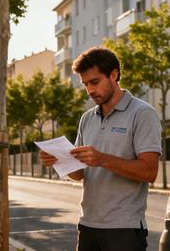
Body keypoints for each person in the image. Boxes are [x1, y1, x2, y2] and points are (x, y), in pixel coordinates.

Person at [40, 47, 162, 251]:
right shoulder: (87, 118)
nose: (90, 90)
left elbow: (150, 172)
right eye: (86, 84)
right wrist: (59, 160)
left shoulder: (142, 113)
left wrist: (103, 159)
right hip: (88, 225)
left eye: (94, 82)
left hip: (124, 229)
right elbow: (79, 174)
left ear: (114, 75)